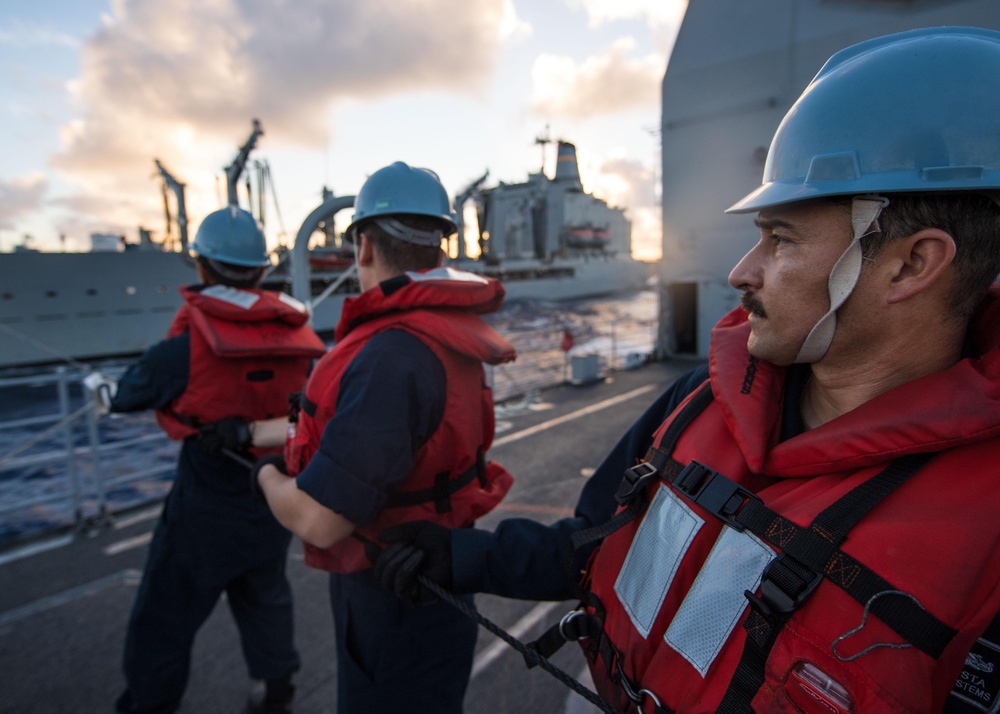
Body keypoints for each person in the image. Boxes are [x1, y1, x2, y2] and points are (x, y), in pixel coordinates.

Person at [371, 27, 1000, 712]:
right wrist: (461, 558)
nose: (740, 272)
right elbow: (594, 539)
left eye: (780, 239)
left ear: (911, 264)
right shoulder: (699, 398)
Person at [254, 161, 516, 714]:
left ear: (364, 246)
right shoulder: (438, 338)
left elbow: (321, 522)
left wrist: (268, 475)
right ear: (441, 250)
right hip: (440, 577)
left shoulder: (389, 356)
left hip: (393, 600)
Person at [109, 206, 326, 714]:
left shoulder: (183, 351)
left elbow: (127, 395)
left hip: (202, 507)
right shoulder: (300, 343)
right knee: (266, 596)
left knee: (163, 615)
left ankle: (149, 702)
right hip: (271, 497)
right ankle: (277, 691)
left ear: (202, 267)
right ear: (259, 269)